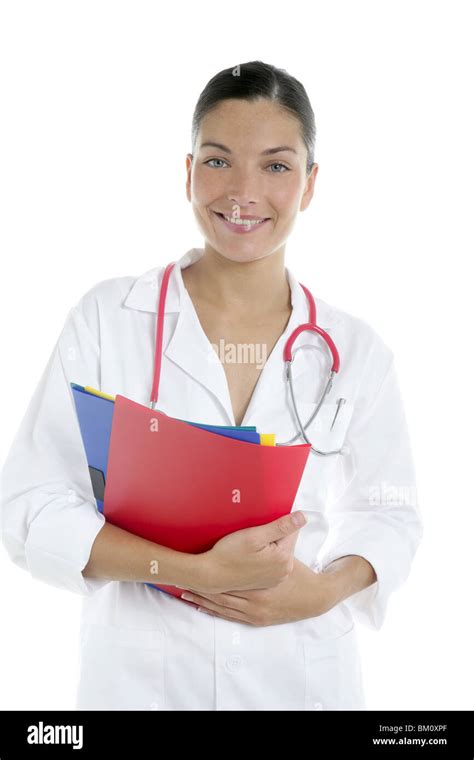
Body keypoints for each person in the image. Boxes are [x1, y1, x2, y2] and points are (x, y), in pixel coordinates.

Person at [0, 60, 423, 711]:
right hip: (142, 685)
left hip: (301, 677)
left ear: (310, 185)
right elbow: (31, 507)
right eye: (219, 161)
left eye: (277, 166)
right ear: (188, 171)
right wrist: (193, 572)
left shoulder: (357, 352)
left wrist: (324, 589)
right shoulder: (108, 319)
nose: (244, 191)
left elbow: (391, 514)